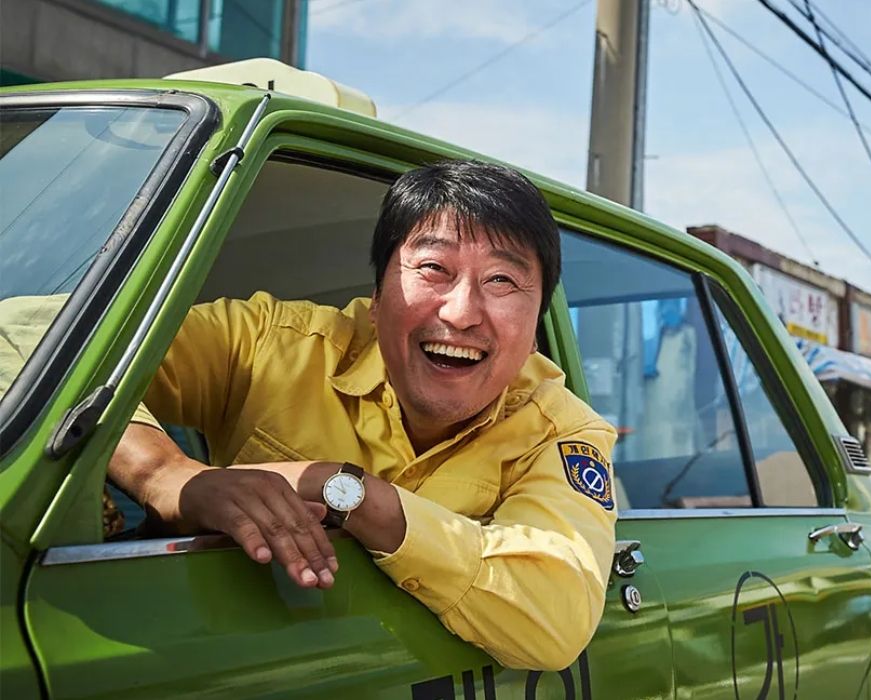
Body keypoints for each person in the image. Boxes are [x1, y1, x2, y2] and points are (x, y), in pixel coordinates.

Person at [82, 160, 615, 671]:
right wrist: (168, 476)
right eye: (433, 268)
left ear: (537, 321)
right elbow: (25, 341)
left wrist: (349, 494)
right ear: (378, 293)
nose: (461, 312)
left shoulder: (563, 430)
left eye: (502, 282)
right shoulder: (271, 344)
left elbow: (555, 618)